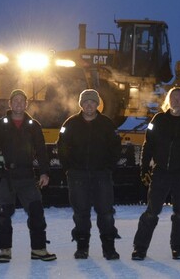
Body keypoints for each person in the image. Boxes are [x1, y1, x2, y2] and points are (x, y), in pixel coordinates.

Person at [131, 87, 180, 261]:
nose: (176, 101)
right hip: (161, 172)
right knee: (151, 212)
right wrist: (144, 169)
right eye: (173, 97)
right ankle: (140, 248)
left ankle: (178, 249)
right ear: (168, 100)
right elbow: (148, 146)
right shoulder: (159, 119)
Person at [0, 89, 57, 263]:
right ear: (10, 103)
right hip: (5, 177)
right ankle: (5, 250)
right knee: (4, 214)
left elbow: (41, 151)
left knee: (36, 212)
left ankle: (39, 249)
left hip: (27, 176)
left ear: (26, 104)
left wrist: (44, 172)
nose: (18, 103)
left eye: (21, 101)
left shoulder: (33, 125)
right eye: (15, 100)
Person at [57, 89, 122, 260]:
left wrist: (108, 168)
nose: (89, 105)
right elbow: (62, 147)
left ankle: (109, 248)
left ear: (97, 104)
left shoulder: (107, 124)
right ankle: (82, 247)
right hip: (77, 177)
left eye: (92, 102)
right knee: (81, 214)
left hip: (102, 176)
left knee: (106, 213)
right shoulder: (70, 124)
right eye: (85, 102)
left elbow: (116, 148)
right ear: (81, 104)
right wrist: (69, 168)